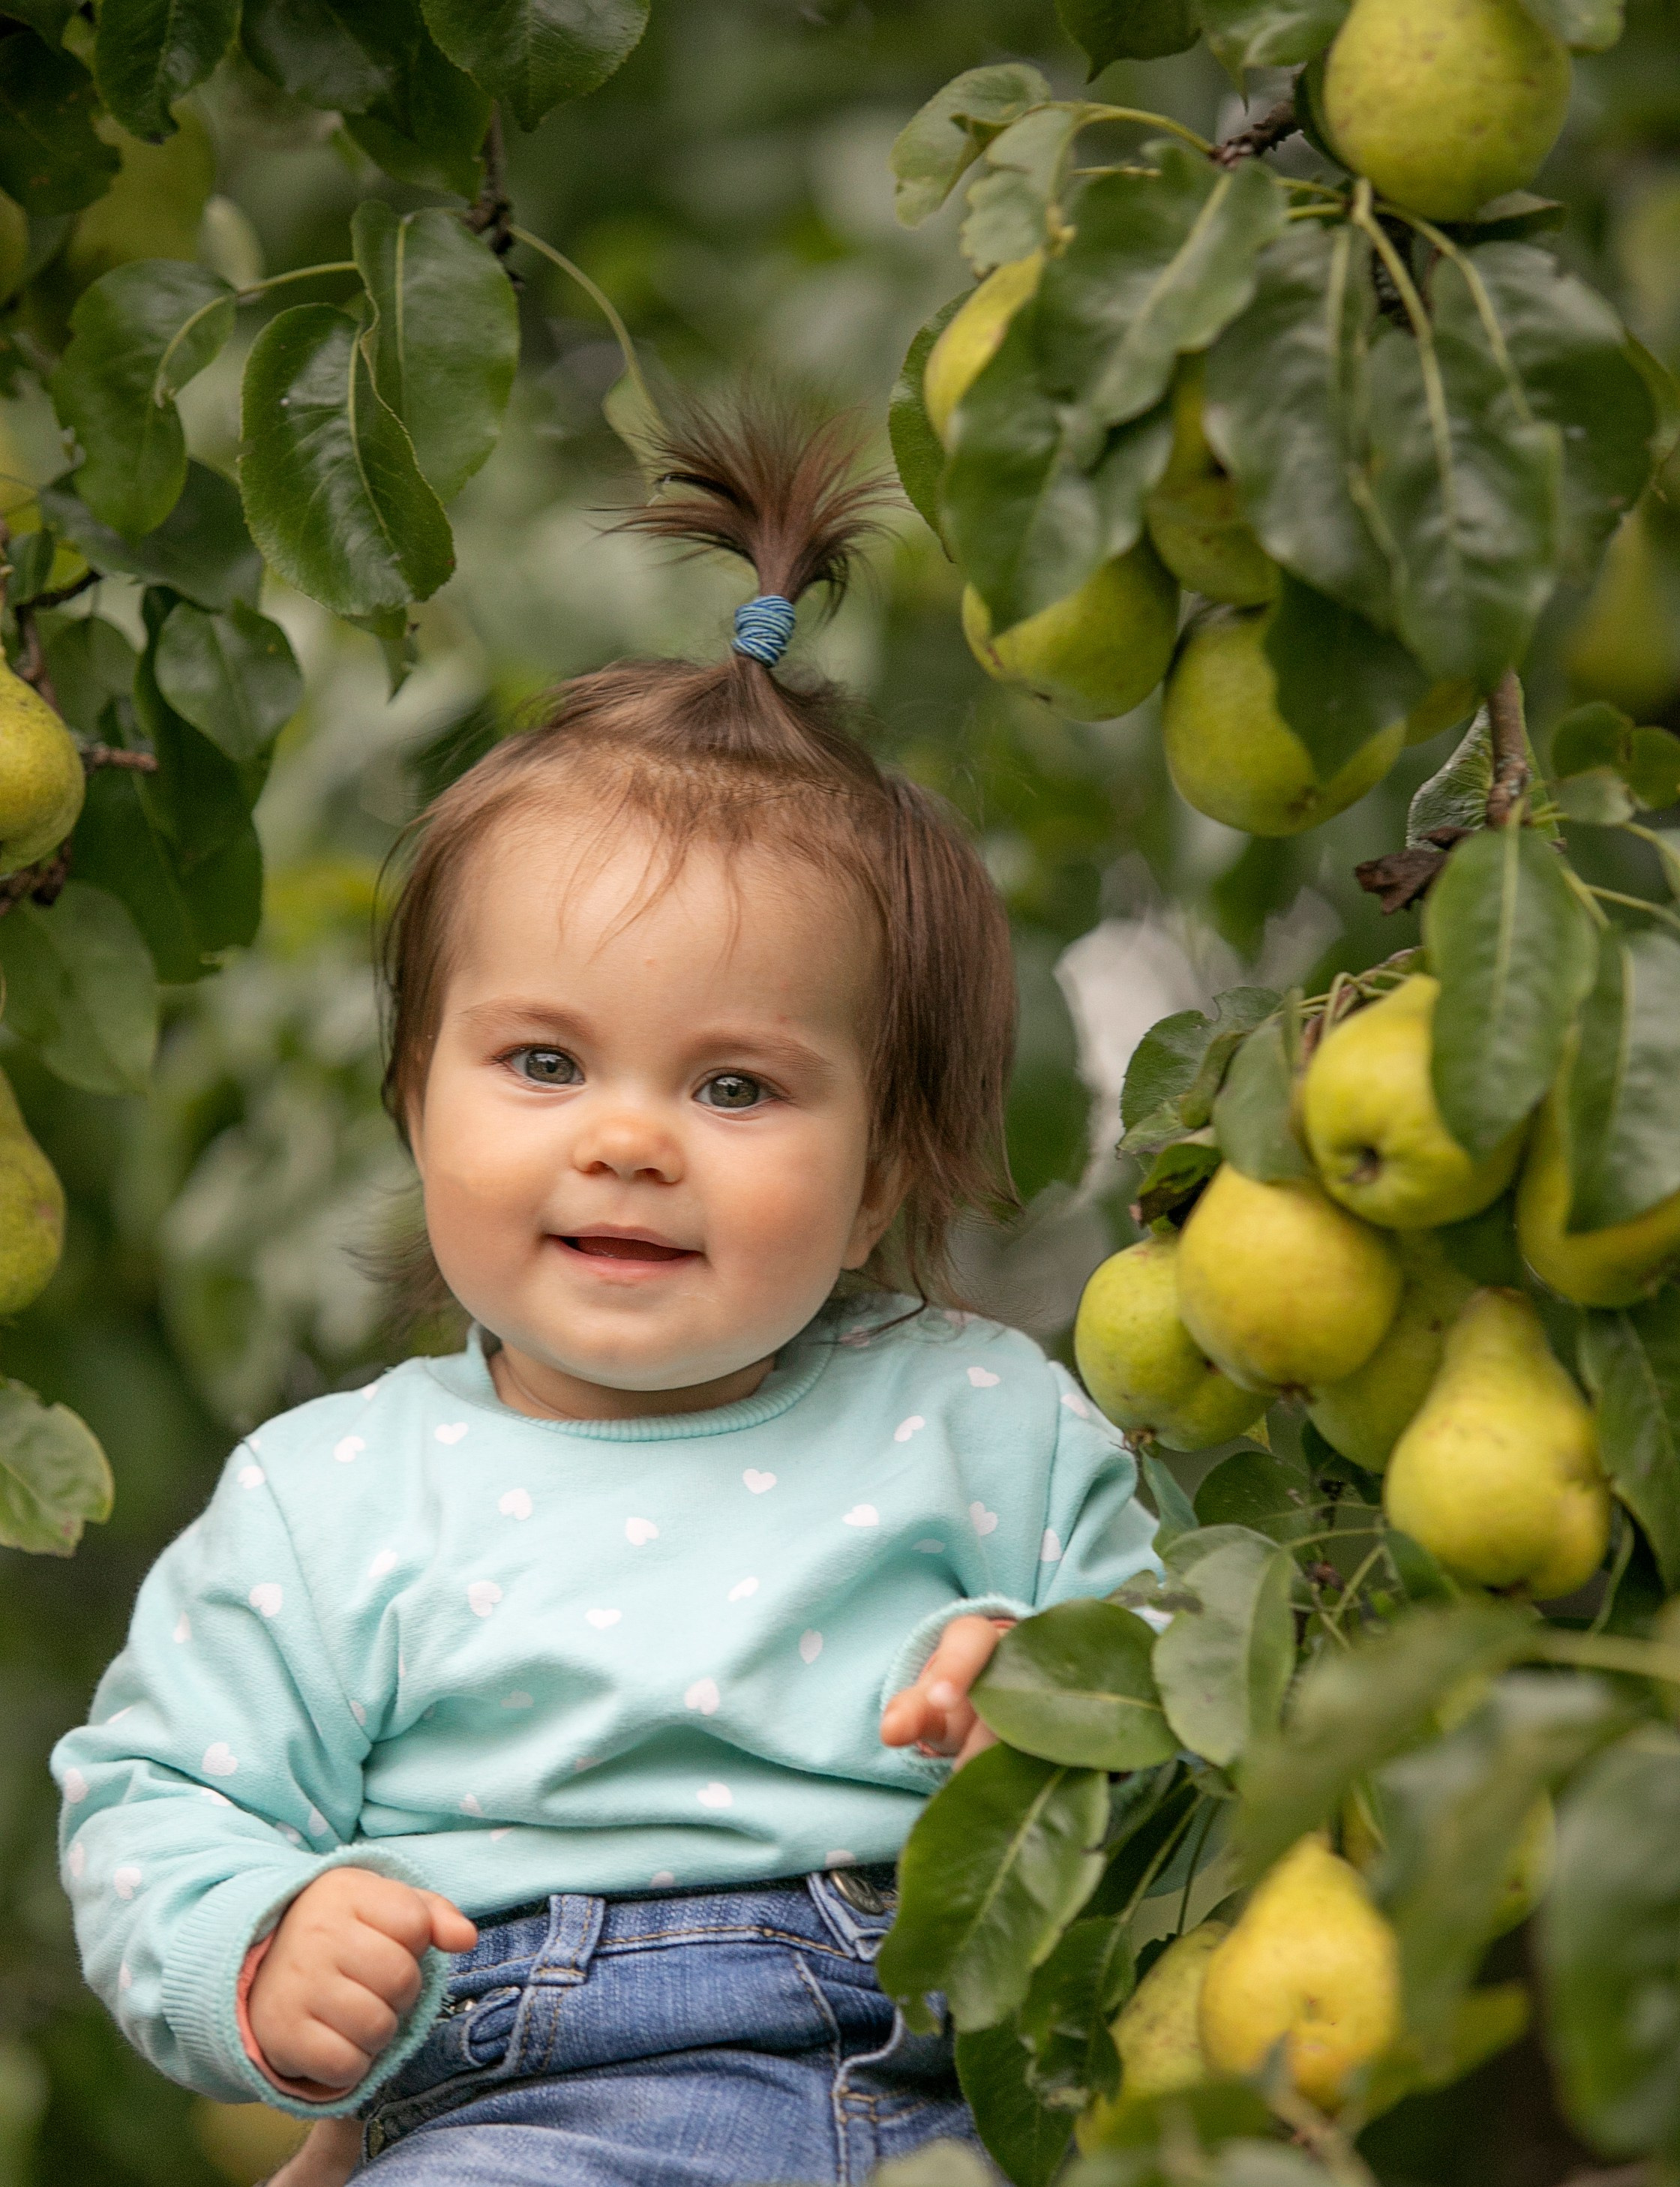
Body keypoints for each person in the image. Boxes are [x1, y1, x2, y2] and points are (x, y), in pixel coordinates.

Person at [52, 401, 1161, 2186]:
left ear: (881, 1168)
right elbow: (158, 1796)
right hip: (533, 2102)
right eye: (546, 1062)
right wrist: (258, 1942)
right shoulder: (338, 1497)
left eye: (736, 1088)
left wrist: (1069, 1695)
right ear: (415, 1100)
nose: (632, 1141)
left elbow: (1196, 1696)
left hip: (980, 2086)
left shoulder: (991, 1422)